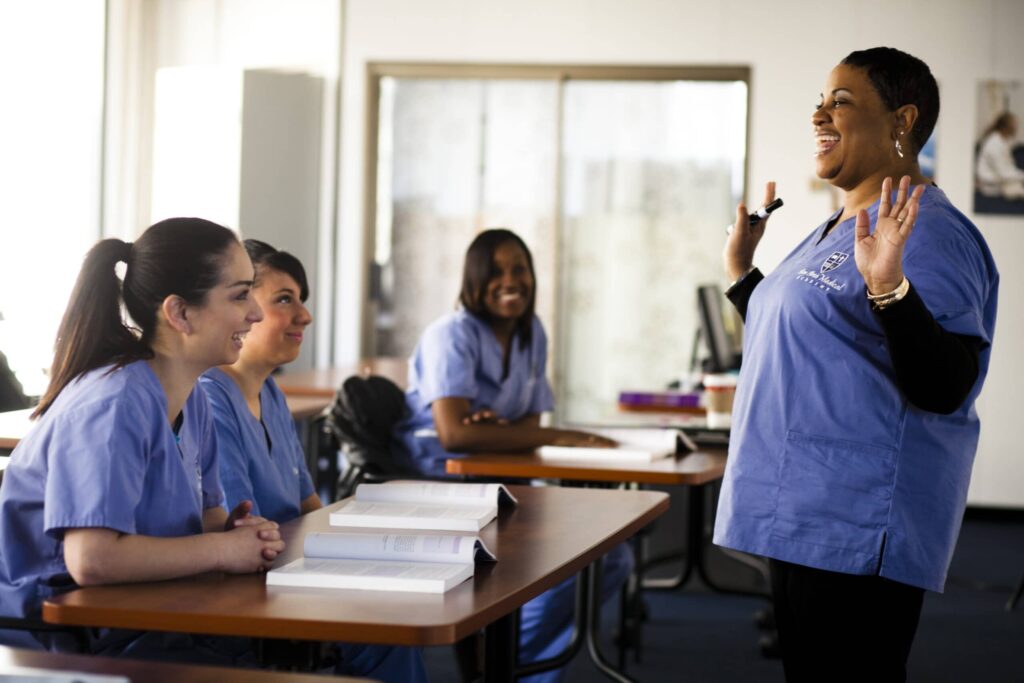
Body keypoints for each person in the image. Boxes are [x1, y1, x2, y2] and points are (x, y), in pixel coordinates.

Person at [713, 47, 999, 683]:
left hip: (856, 522)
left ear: (901, 122)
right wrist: (742, 273)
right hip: (801, 508)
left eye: (840, 101)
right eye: (820, 99)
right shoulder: (838, 225)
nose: (819, 112)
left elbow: (946, 383)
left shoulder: (931, 233)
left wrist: (892, 287)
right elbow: (803, 341)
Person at [0, 218, 284, 665]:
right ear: (179, 313)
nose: (256, 313)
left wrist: (236, 533)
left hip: (149, 613)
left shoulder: (193, 398)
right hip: (71, 638)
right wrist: (222, 550)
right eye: (239, 294)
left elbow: (204, 518)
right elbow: (91, 560)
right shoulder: (112, 404)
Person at [394, 228, 633, 683]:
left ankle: (507, 662)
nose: (511, 280)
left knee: (613, 557)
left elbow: (530, 428)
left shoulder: (531, 333)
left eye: (519, 269)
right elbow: (454, 434)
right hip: (440, 489)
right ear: (474, 279)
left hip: (502, 485)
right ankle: (503, 664)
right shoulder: (452, 335)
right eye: (497, 271)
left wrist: (501, 433)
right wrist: (547, 436)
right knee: (578, 557)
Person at [200, 239, 427, 682]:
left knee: (399, 612)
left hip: (296, 571)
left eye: (301, 301)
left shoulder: (270, 392)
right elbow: (242, 530)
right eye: (284, 300)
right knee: (385, 631)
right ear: (242, 307)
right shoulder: (210, 397)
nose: (304, 315)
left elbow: (309, 506)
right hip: (256, 590)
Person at [976, 111, 1024, 200]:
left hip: (1001, 181)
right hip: (992, 186)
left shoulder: (1002, 141)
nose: (1016, 128)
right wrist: (1021, 176)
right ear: (1006, 127)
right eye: (1014, 125)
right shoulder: (994, 144)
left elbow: (1008, 168)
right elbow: (1004, 174)